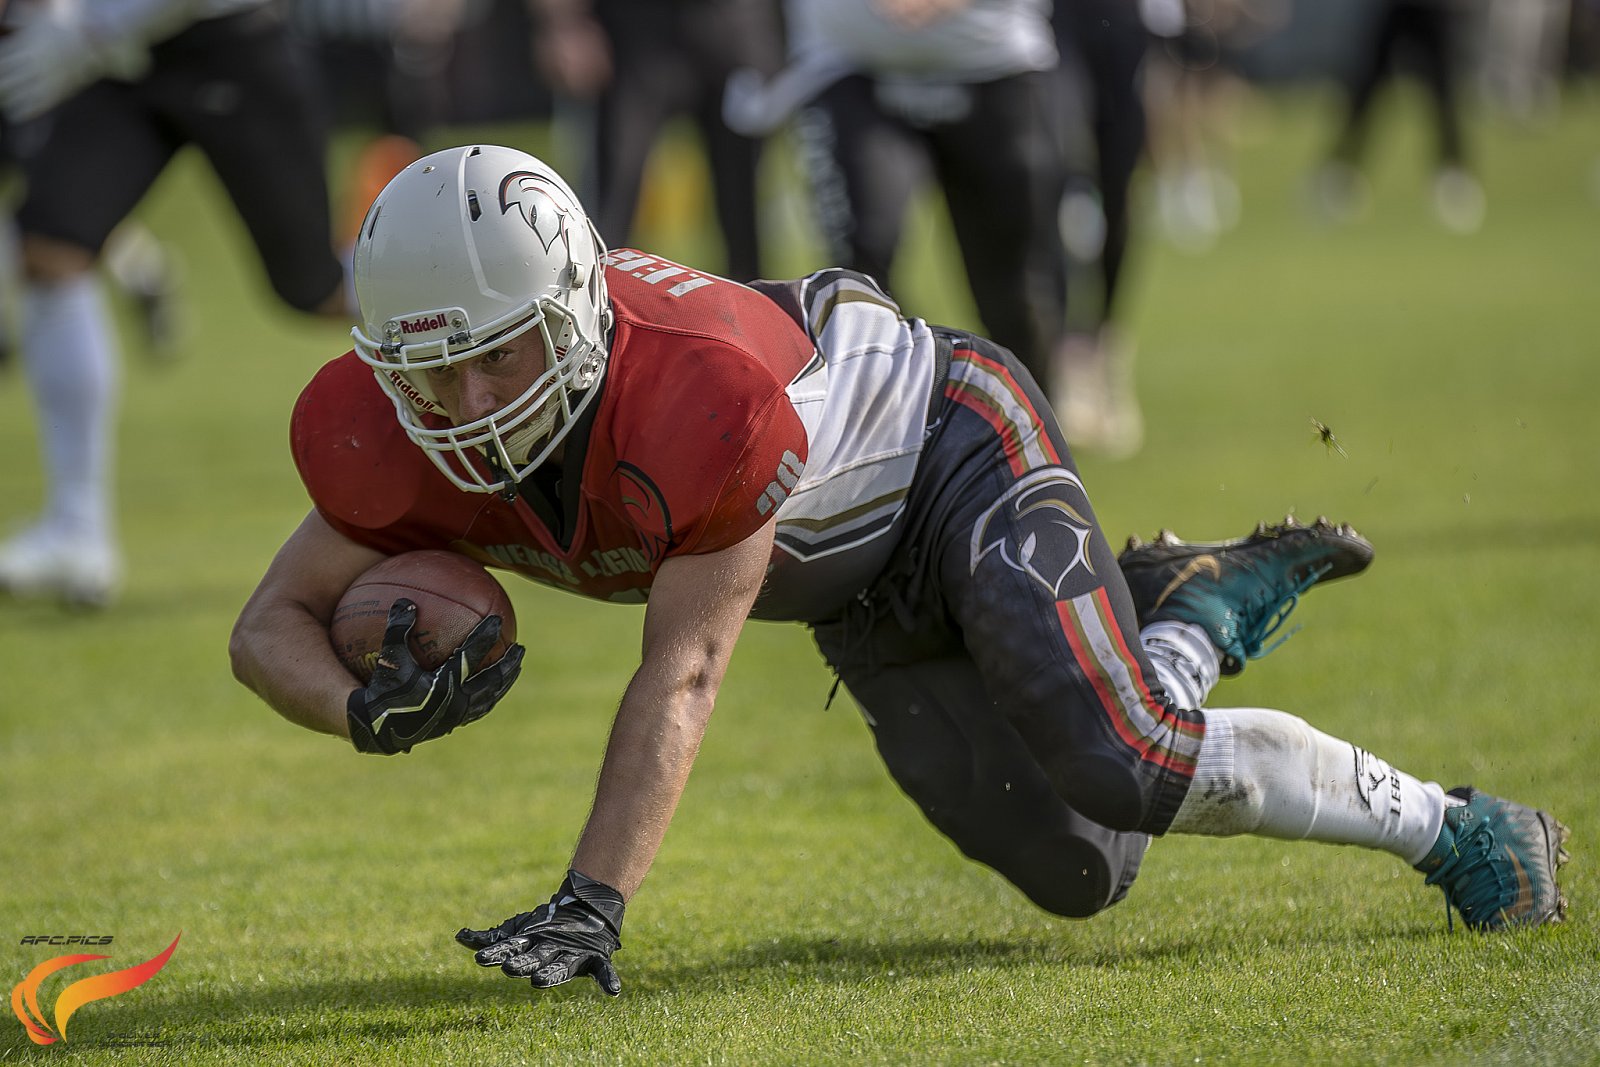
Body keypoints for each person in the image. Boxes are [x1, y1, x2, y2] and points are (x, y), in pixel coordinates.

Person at [231, 145, 1570, 997]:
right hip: (850, 582)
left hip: (948, 443)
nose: (470, 403)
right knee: (1084, 869)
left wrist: (592, 902)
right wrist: (360, 711)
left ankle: (1460, 829)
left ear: (574, 313)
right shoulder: (387, 431)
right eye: (432, 368)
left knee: (1122, 756)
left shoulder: (695, 397)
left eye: (499, 355)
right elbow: (267, 625)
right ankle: (1189, 612)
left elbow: (685, 671)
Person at [0, 0, 349, 608]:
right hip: (124, 62)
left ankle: (503, 348)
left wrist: (92, 26)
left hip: (224, 40)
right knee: (50, 249)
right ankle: (76, 532)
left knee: (317, 291)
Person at [725, 0, 1069, 388]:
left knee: (1016, 286)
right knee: (859, 269)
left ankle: (1029, 414)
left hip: (995, 63)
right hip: (848, 63)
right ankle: (887, 410)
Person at [523, 0, 784, 282]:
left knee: (745, 214)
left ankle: (751, 306)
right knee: (607, 215)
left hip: (734, 23)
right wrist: (563, 24)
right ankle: (588, 302)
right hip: (634, 28)